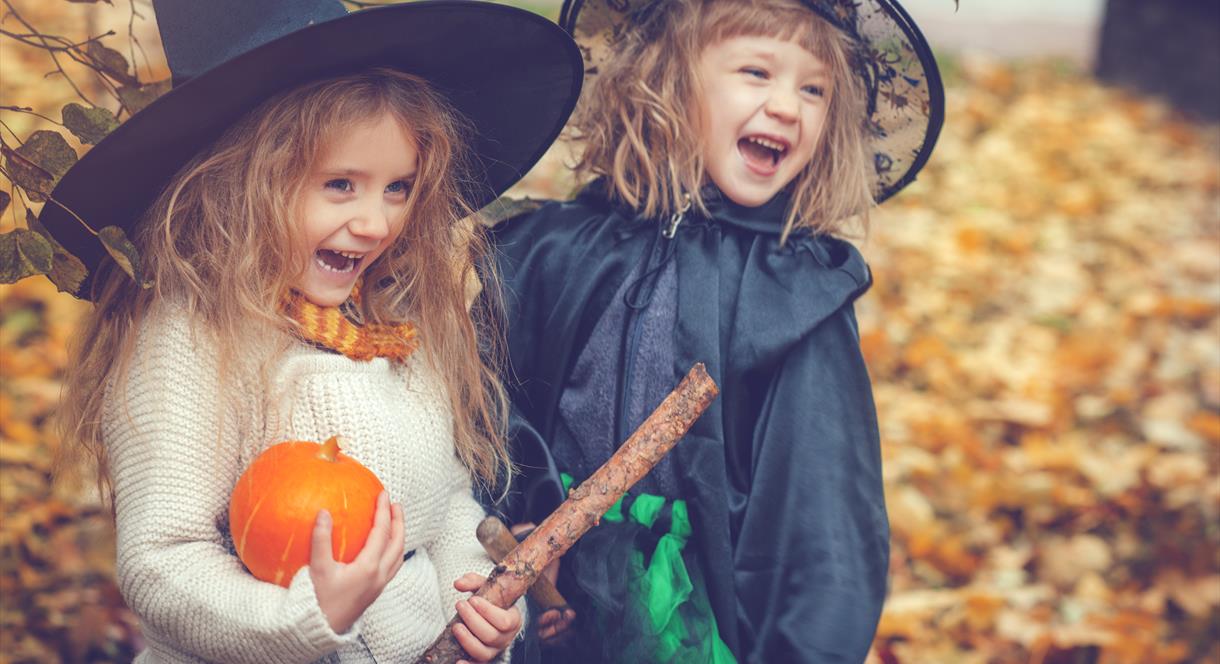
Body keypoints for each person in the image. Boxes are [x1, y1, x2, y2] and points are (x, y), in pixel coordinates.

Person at [49, 0, 582, 661]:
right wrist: (306, 616)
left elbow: (444, 509)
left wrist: (475, 607)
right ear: (246, 183)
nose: (376, 222)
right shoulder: (194, 336)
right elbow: (163, 563)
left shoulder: (392, 326)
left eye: (398, 187)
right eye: (341, 185)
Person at [490, 0, 944, 662]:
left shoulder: (793, 296)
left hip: (703, 626)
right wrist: (515, 529)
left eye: (814, 89)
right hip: (544, 609)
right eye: (757, 73)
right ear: (667, 78)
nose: (788, 106)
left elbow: (825, 531)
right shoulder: (560, 250)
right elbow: (494, 417)